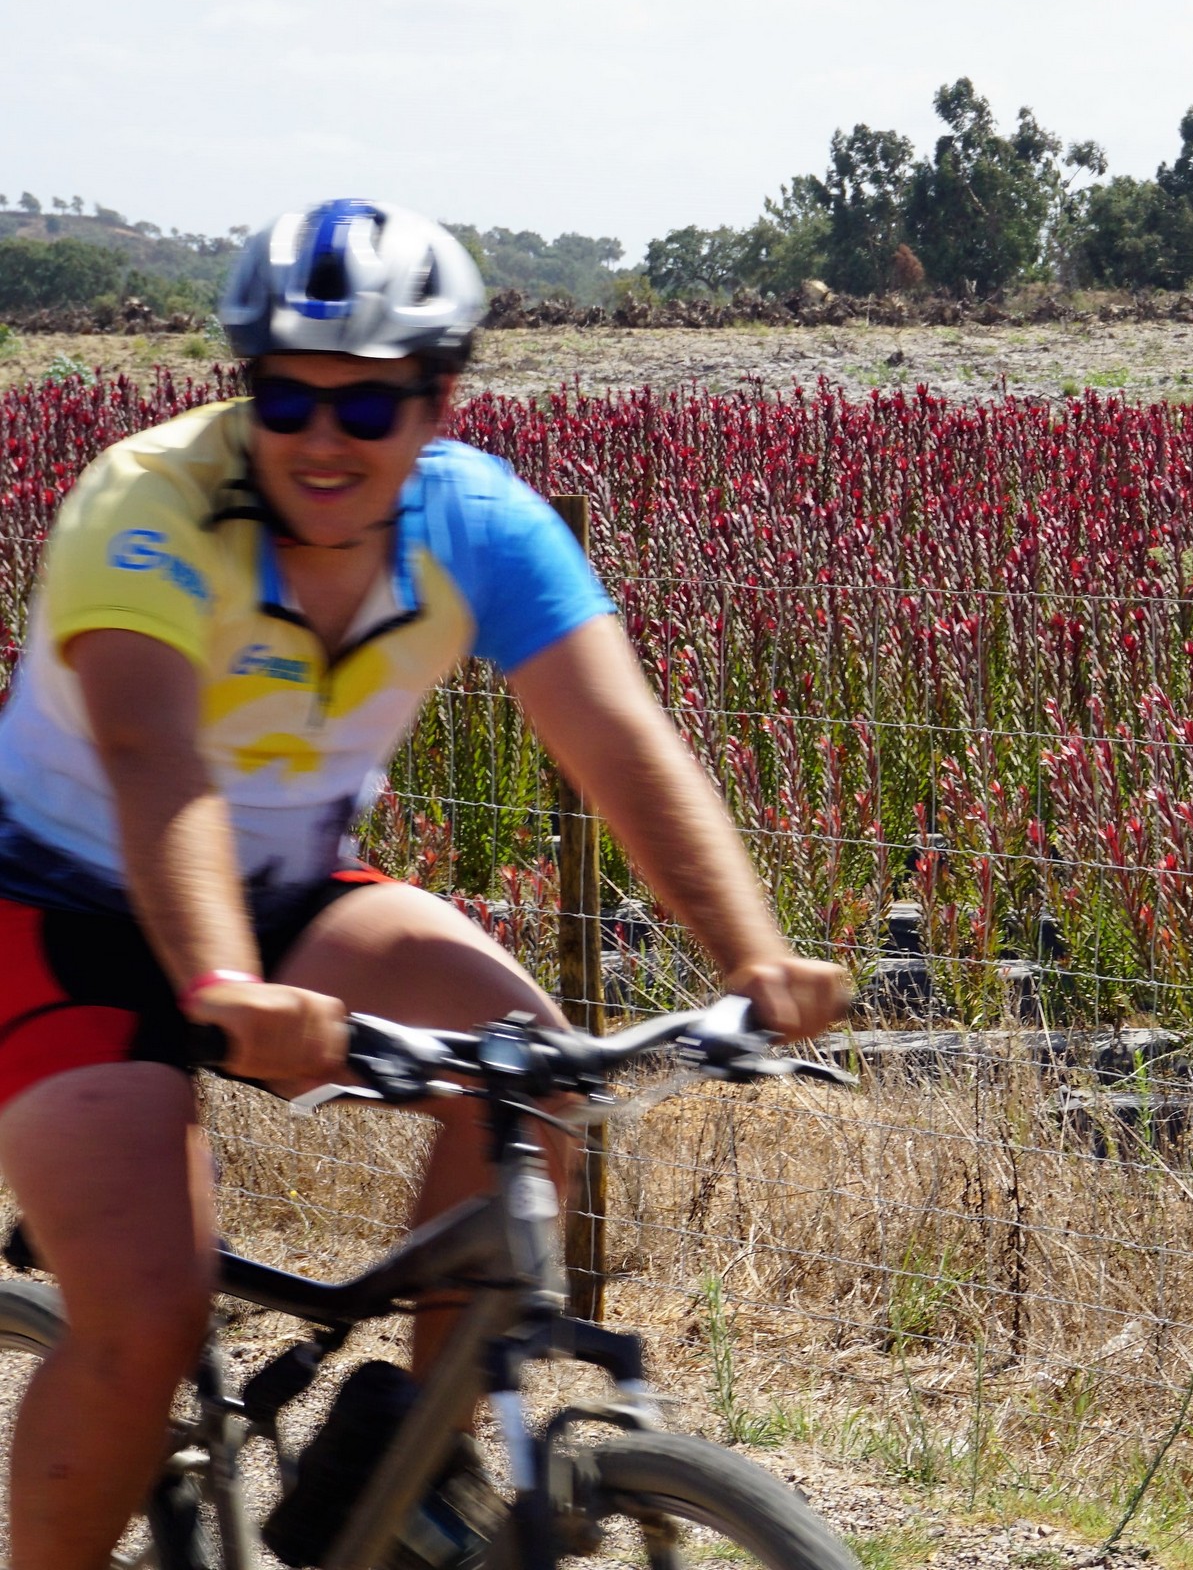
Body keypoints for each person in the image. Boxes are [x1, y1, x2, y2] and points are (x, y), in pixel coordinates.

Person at [0, 199, 846, 1570]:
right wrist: (226, 985)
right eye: (286, 396)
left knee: (536, 1064)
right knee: (148, 1312)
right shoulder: (146, 506)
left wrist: (756, 956)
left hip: (284, 888)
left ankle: (411, 1464)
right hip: (61, 908)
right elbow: (158, 760)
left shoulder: (479, 525)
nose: (324, 438)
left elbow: (620, 742)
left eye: (371, 404)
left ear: (437, 401)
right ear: (243, 391)